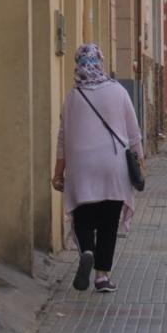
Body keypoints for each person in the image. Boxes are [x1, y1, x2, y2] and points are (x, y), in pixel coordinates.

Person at [51, 43, 144, 293]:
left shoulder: (72, 97)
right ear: (100, 63)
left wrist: (58, 172)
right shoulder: (118, 91)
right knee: (108, 222)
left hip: (81, 166)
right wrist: (140, 162)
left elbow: (62, 139)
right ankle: (102, 277)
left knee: (82, 216)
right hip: (113, 166)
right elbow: (134, 133)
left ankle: (87, 251)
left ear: (78, 65)